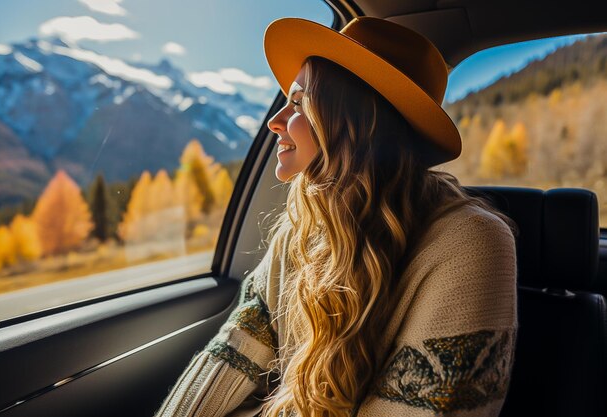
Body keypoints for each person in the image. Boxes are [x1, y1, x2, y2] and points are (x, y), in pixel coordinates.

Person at [155, 17, 518, 417]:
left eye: (297, 102)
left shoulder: (472, 246)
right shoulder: (300, 232)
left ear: (357, 116)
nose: (276, 122)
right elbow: (228, 357)